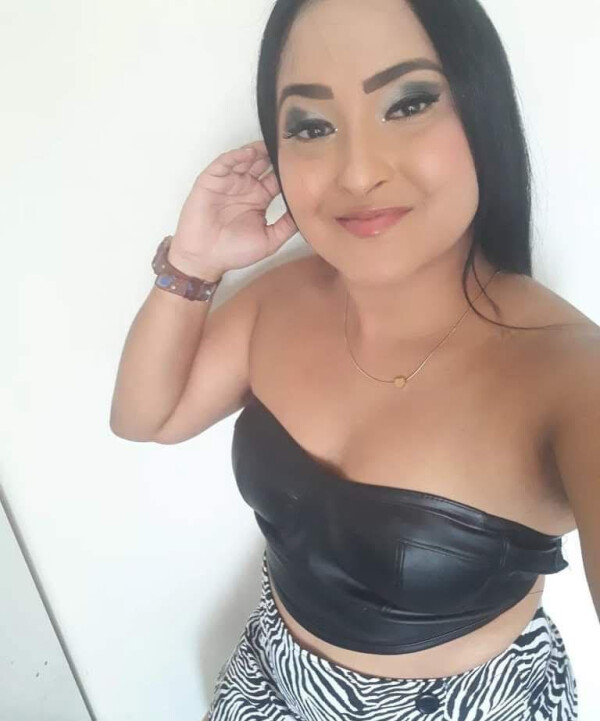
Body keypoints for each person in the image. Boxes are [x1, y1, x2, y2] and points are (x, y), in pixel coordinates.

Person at [110, 0, 600, 718]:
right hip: (269, 680)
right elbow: (144, 417)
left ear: (481, 108)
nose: (359, 171)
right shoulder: (280, 298)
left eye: (409, 103)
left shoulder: (570, 377)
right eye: (312, 126)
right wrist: (193, 263)